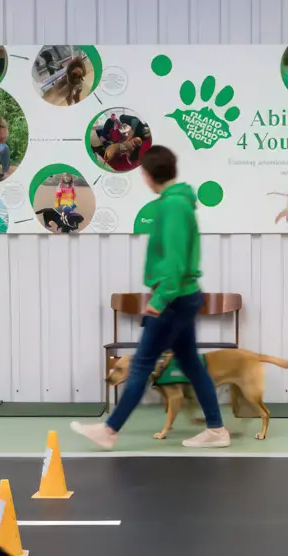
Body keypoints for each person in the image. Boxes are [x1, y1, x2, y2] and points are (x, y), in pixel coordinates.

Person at [71, 146, 230, 451]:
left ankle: (110, 429)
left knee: (142, 362)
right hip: (183, 295)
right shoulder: (178, 203)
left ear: (146, 175)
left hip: (173, 298)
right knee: (192, 365)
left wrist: (159, 298)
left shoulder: (172, 207)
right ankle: (216, 429)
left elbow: (174, 260)